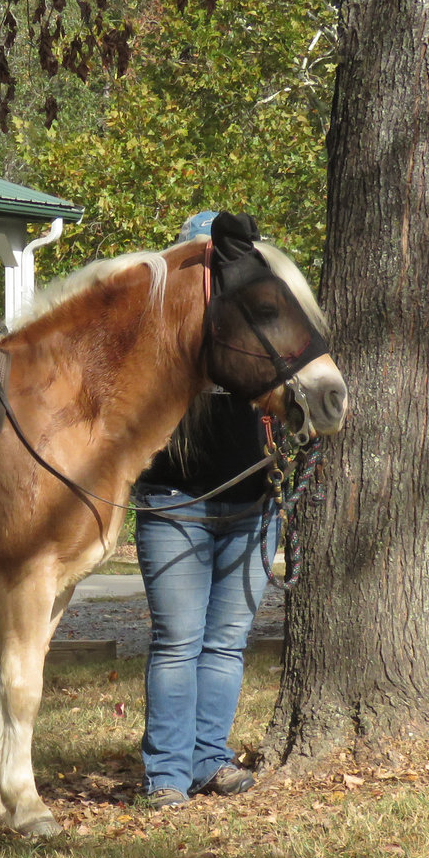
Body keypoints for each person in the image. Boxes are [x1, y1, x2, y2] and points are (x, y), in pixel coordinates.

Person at [133, 211, 282, 809]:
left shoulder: (255, 336)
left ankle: (208, 759)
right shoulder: (159, 333)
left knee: (225, 643)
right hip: (175, 505)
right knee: (178, 642)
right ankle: (166, 775)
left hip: (253, 505)